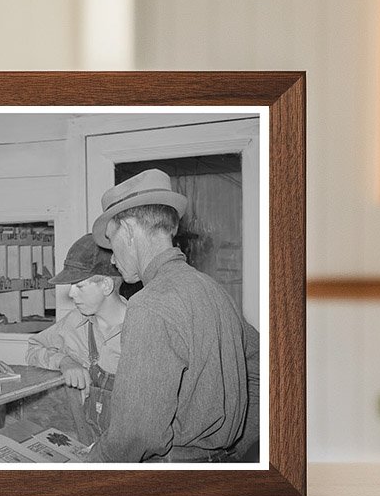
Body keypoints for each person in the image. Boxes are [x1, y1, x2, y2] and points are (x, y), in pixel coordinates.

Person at [86, 168, 258, 464]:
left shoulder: (150, 304)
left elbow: (136, 434)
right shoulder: (214, 290)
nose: (112, 259)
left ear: (127, 230)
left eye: (112, 242)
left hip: (175, 476)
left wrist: (88, 469)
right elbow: (260, 375)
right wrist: (235, 450)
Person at [25, 233, 127, 445]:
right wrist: (65, 362)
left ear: (107, 285)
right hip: (89, 442)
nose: (71, 294)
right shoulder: (74, 322)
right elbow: (34, 347)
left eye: (79, 286)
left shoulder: (143, 328)